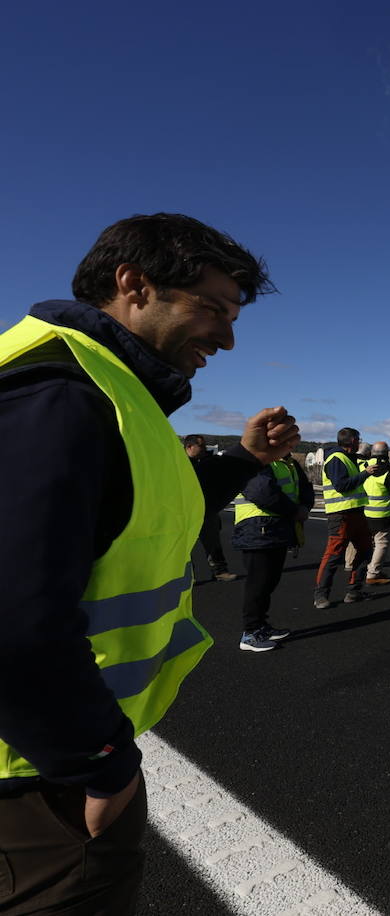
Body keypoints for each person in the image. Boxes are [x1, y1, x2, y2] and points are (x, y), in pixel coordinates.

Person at [0, 212, 297, 914]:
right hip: (37, 780)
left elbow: (140, 507)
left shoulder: (104, 388)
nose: (226, 337)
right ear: (133, 285)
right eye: (212, 310)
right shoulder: (61, 393)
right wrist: (98, 764)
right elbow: (12, 614)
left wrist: (244, 458)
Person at [232, 455, 313, 651]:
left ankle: (260, 626)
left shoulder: (288, 463)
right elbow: (261, 491)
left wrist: (303, 506)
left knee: (269, 581)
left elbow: (305, 487)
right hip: (257, 528)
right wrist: (295, 511)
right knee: (258, 583)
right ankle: (250, 633)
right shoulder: (257, 459)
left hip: (276, 528)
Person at [314, 427, 387, 607]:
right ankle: (321, 595)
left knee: (365, 552)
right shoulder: (336, 459)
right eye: (359, 439)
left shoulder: (349, 459)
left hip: (357, 513)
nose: (360, 442)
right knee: (333, 555)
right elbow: (342, 486)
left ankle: (354, 591)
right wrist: (365, 473)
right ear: (353, 440)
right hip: (341, 515)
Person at [184, 434, 240, 582]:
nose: (204, 449)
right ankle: (188, 576)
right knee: (184, 547)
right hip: (185, 511)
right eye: (200, 446)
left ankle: (219, 571)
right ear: (189, 447)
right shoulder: (179, 464)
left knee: (213, 542)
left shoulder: (207, 462)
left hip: (206, 510)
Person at [356, 441, 390, 585]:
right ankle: (373, 573)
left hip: (364, 513)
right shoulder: (389, 471)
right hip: (383, 515)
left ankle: (358, 569)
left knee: (367, 545)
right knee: (381, 544)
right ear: (387, 453)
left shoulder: (363, 467)